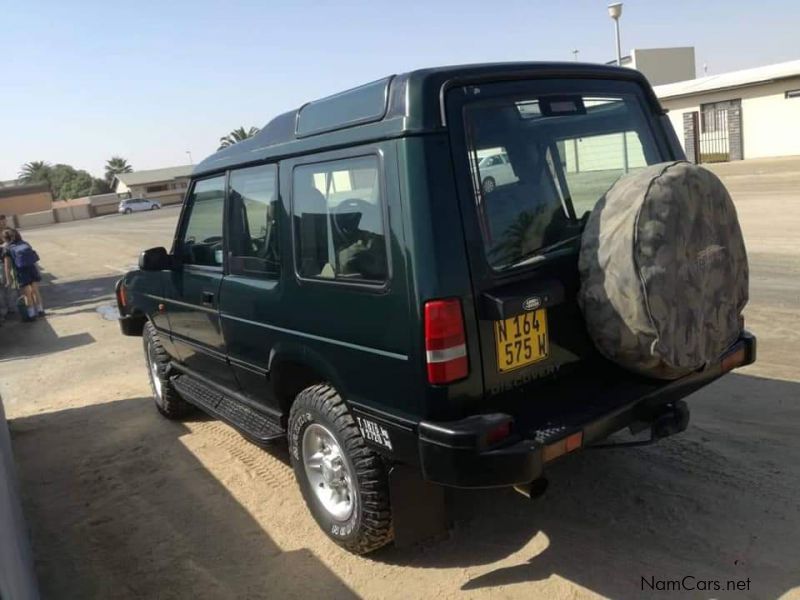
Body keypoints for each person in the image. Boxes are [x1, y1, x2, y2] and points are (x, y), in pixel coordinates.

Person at [2, 228, 44, 322]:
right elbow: (33, 258)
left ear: (5, 238)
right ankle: (41, 311)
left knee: (26, 294)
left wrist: (9, 280)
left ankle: (31, 315)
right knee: (35, 291)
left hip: (21, 272)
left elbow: (7, 267)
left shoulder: (7, 248)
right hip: (32, 269)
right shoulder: (25, 243)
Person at [0, 216, 18, 324]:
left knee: (10, 285)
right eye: (1, 221)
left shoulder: (10, 230)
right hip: (2, 262)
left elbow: (17, 241)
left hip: (11, 261)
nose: (3, 222)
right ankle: (3, 310)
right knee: (2, 286)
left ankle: (11, 308)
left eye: (4, 220)